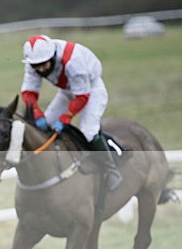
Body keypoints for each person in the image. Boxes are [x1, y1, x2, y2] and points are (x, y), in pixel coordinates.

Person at [20, 34, 123, 190]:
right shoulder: (33, 63)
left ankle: (111, 168)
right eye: (36, 66)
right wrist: (37, 112)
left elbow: (82, 97)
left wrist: (65, 118)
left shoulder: (73, 62)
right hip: (67, 91)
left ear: (52, 57)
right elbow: (28, 92)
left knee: (88, 130)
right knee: (43, 127)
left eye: (43, 65)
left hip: (91, 90)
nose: (40, 69)